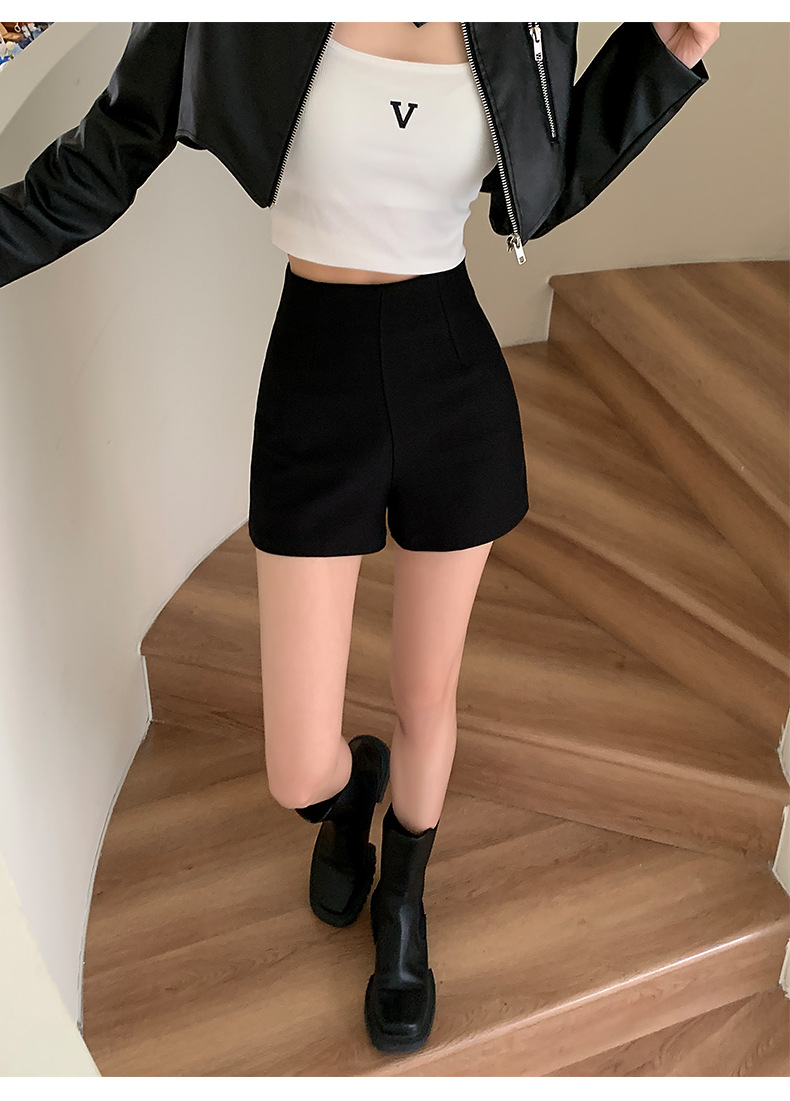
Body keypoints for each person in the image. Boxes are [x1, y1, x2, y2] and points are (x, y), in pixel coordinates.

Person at [0, 20, 720, 1057]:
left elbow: (540, 186)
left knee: (428, 693)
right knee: (296, 768)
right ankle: (350, 799)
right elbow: (96, 166)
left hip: (452, 377)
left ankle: (404, 900)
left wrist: (665, 56)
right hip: (316, 382)